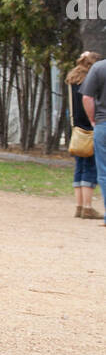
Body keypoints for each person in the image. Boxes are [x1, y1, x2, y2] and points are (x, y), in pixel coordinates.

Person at [66, 51, 100, 218]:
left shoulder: (73, 80)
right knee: (90, 168)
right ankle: (88, 207)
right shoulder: (90, 81)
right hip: (89, 128)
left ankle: (79, 206)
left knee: (79, 168)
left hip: (77, 129)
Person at [81, 51, 106, 228]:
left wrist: (93, 119)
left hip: (103, 124)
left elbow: (87, 97)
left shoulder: (99, 68)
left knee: (104, 172)